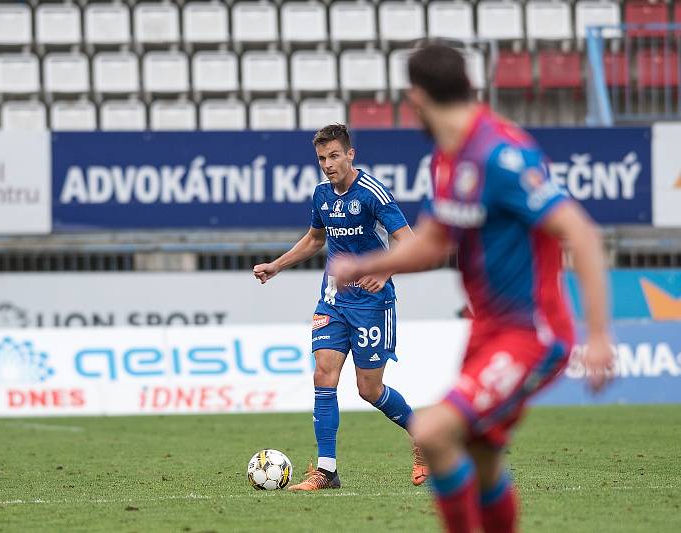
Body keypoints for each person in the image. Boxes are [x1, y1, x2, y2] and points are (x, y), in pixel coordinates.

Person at [330, 44, 613, 531]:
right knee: (482, 464)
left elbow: (582, 234)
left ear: (415, 98)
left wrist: (601, 336)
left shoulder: (501, 154)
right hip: (488, 334)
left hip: (532, 333)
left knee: (434, 432)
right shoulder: (447, 160)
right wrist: (367, 264)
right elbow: (437, 241)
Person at [253, 124, 429, 491]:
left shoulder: (372, 193)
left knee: (369, 390)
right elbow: (315, 239)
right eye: (321, 158)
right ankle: (326, 471)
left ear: (351, 154)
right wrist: (277, 266)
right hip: (333, 300)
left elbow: (409, 242)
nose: (328, 164)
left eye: (334, 156)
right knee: (323, 376)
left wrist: (385, 270)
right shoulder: (321, 195)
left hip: (372, 304)